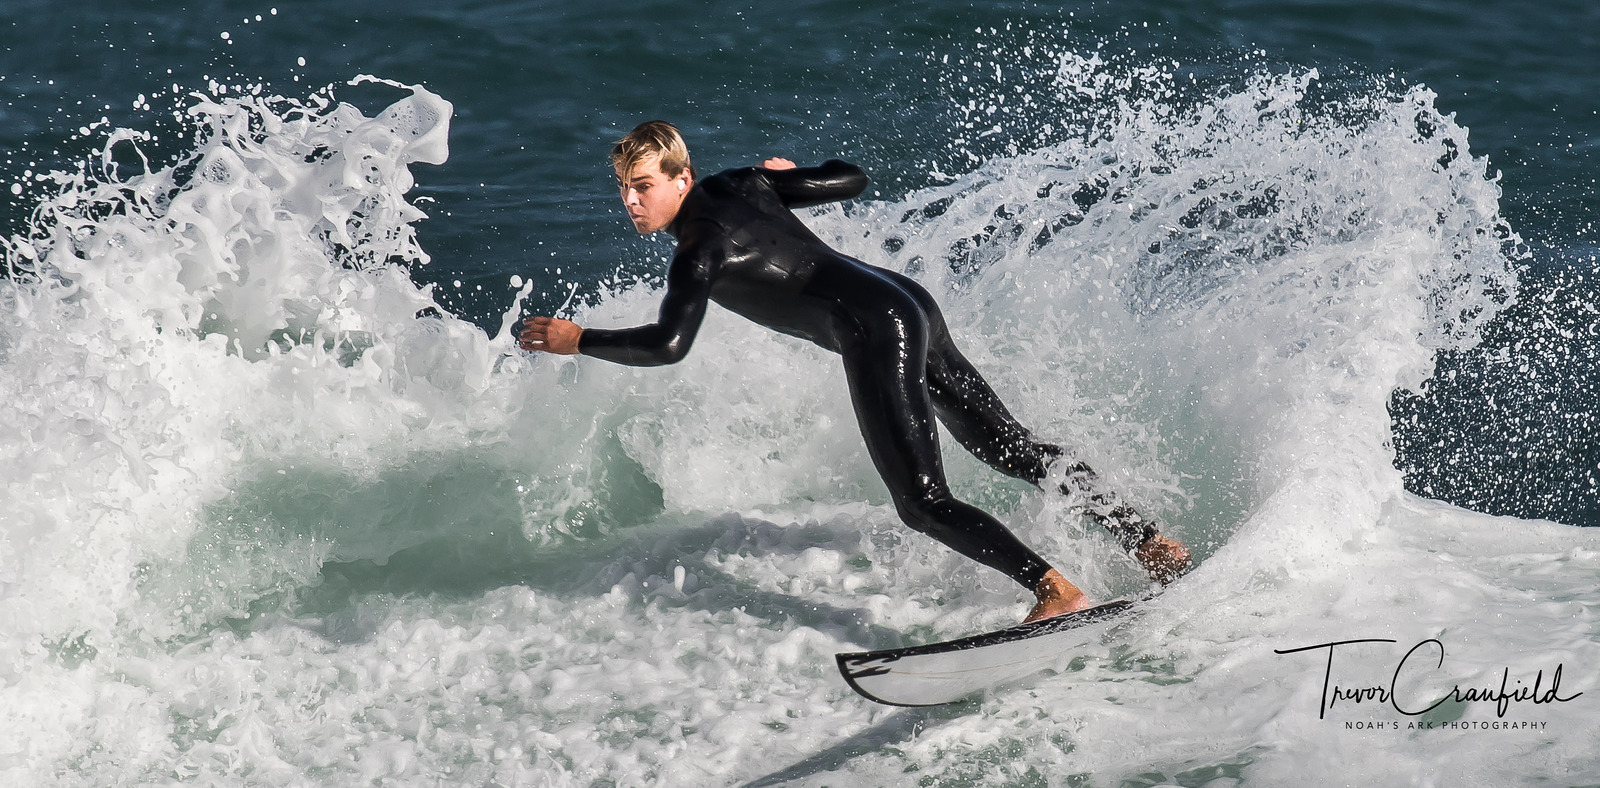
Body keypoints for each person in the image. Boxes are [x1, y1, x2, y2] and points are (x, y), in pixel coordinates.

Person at [520, 121, 1190, 622]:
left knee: (922, 502)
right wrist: (787, 173)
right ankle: (1150, 543)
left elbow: (669, 344)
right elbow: (851, 178)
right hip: (908, 302)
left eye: (642, 186)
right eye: (624, 189)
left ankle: (1055, 591)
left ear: (679, 179)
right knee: (1008, 447)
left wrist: (581, 340)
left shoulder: (698, 250)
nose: (631, 201)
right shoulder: (739, 183)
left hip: (874, 328)